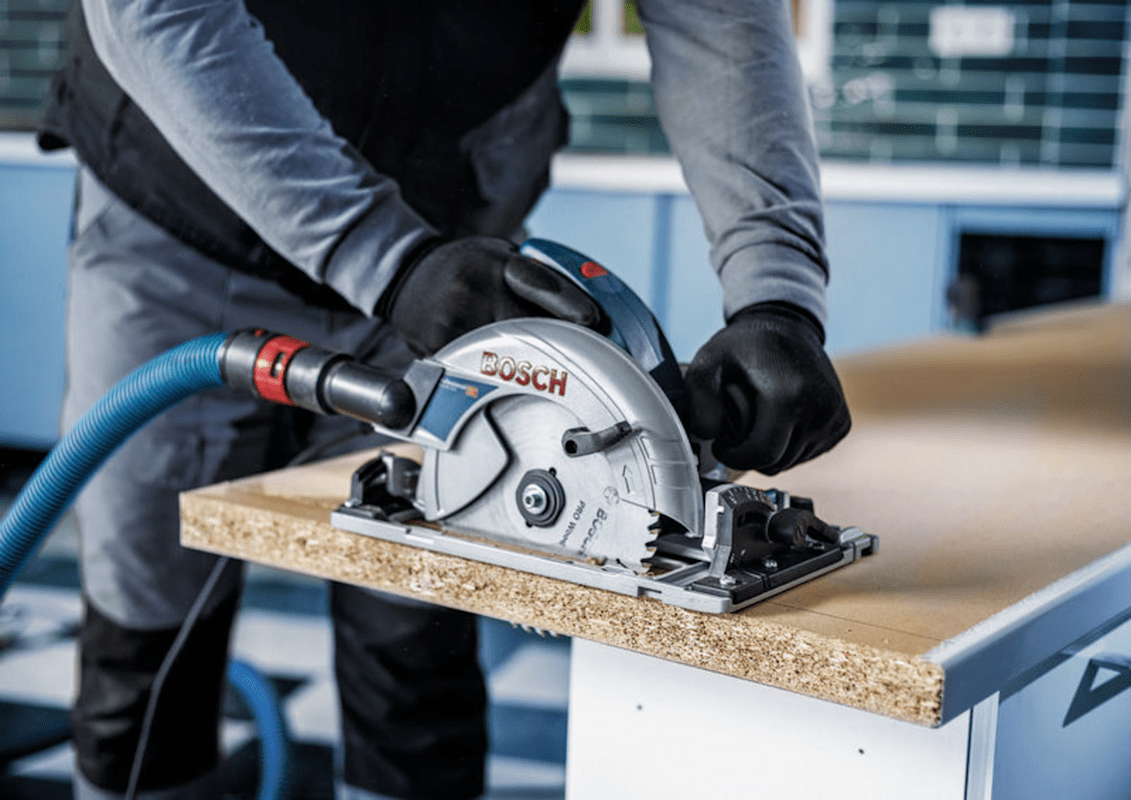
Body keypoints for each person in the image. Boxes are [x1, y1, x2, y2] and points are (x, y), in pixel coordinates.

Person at [37, 0, 851, 798]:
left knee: (416, 645)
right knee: (147, 642)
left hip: (449, 254)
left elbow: (717, 17)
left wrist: (775, 293)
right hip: (181, 230)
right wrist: (382, 256)